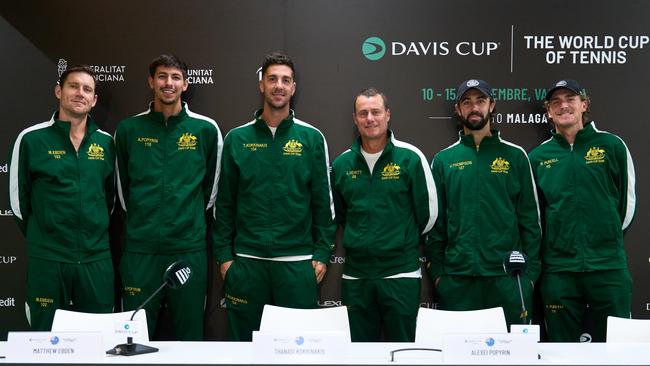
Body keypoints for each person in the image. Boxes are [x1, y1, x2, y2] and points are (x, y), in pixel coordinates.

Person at [213, 52, 336, 341]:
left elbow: (323, 203)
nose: (278, 86)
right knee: (243, 350)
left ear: (293, 88)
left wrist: (321, 254)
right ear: (261, 85)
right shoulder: (237, 139)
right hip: (246, 265)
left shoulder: (311, 138)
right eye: (272, 79)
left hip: (296, 266)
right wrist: (224, 259)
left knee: (298, 353)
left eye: (285, 80)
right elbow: (224, 205)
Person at [114, 54, 222, 340]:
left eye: (175, 77)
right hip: (140, 250)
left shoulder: (206, 130)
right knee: (133, 338)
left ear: (186, 84)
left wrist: (187, 224)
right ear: (151, 81)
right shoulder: (128, 130)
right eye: (162, 76)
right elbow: (122, 193)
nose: (168, 83)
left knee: (190, 335)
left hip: (187, 249)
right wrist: (141, 226)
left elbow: (212, 193)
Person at [426, 79, 541, 327]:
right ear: (458, 109)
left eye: (480, 101)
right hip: (458, 283)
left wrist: (529, 277)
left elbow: (530, 221)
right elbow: (435, 225)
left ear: (492, 105)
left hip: (507, 280)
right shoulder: (445, 160)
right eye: (466, 102)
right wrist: (439, 277)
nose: (474, 107)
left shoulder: (515, 155)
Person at [529, 79, 636, 342]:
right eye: (556, 102)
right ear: (549, 111)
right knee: (560, 349)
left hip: (608, 266)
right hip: (559, 270)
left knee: (617, 348)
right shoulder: (538, 157)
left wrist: (604, 237)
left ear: (584, 104)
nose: (563, 105)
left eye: (570, 99)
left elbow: (626, 204)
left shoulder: (612, 145)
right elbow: (536, 215)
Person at [9, 65, 115, 330]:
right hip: (48, 259)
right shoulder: (32, 139)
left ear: (94, 100)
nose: (80, 93)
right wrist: (47, 235)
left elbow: (111, 201)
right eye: (73, 86)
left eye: (87, 89)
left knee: (98, 339)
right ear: (59, 91)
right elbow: (18, 204)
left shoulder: (107, 144)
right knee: (44, 340)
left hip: (95, 257)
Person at [331, 88, 437, 341]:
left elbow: (429, 214)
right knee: (357, 353)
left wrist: (400, 237)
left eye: (376, 112)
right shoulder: (342, 164)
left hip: (400, 273)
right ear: (355, 119)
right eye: (363, 113)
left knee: (403, 351)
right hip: (357, 275)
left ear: (387, 115)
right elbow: (341, 214)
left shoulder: (410, 157)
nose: (370, 118)